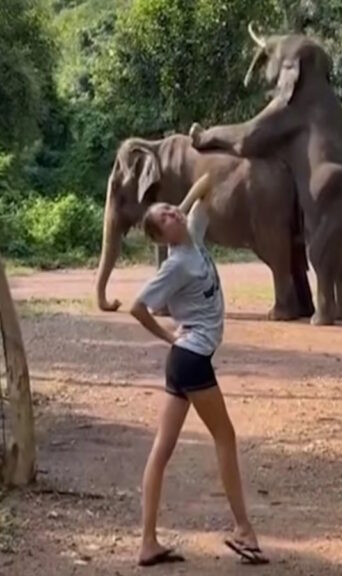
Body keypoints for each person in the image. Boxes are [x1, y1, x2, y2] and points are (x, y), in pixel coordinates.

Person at [129, 172, 268, 567]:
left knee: (163, 447)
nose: (171, 214)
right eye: (164, 218)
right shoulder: (175, 265)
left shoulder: (194, 232)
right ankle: (244, 530)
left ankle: (148, 543)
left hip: (185, 361)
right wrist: (168, 336)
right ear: (161, 238)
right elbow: (138, 307)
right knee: (225, 436)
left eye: (169, 209)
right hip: (190, 358)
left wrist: (183, 207)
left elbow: (208, 181)